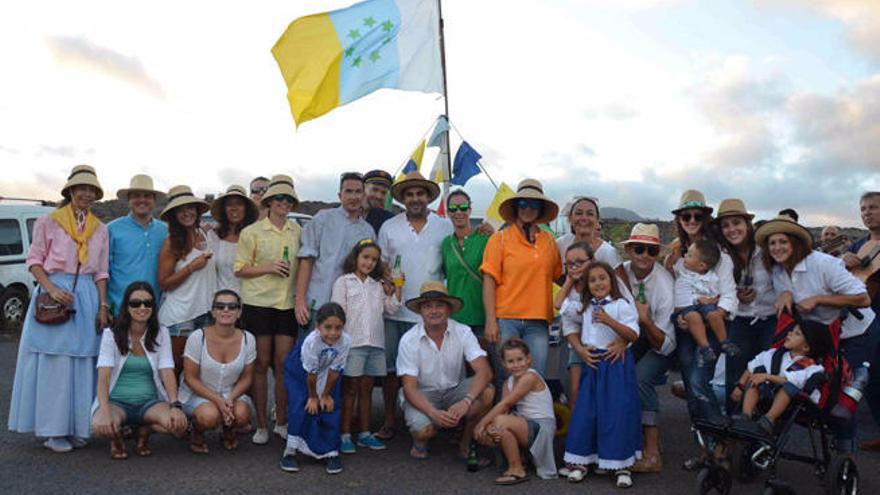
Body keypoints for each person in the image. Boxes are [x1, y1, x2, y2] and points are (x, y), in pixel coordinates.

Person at [8, 164, 111, 453]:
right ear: (70, 190)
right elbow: (34, 261)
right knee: (55, 363)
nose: (86, 194)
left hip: (87, 295)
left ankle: (80, 427)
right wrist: (52, 288)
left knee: (84, 361)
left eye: (91, 190)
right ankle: (54, 431)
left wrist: (102, 306)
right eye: (82, 188)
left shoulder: (100, 230)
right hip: (55, 294)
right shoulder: (48, 222)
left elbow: (101, 271)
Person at [757, 214, 876, 453]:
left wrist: (821, 298)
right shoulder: (779, 271)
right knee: (815, 387)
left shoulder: (822, 264)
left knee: (841, 396)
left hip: (854, 333)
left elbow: (863, 298)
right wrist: (784, 295)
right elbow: (784, 296)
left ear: (795, 243)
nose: (777, 247)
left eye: (783, 241)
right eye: (772, 243)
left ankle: (845, 458)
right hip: (819, 337)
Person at [375, 171, 452, 441]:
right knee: (391, 370)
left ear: (429, 197)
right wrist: (387, 280)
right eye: (410, 194)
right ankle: (388, 420)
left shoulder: (444, 225)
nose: (415, 198)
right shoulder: (390, 227)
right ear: (403, 198)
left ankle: (435, 419)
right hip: (396, 310)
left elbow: (453, 260)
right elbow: (380, 262)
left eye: (420, 193)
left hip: (431, 311)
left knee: (432, 370)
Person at [560, 262, 641, 488]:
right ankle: (582, 462)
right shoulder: (585, 307)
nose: (598, 283)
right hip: (594, 363)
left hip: (615, 363)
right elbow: (559, 304)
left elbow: (633, 333)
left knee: (617, 412)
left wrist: (609, 320)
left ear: (611, 281)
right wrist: (570, 278)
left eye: (602, 278)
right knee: (587, 412)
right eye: (592, 280)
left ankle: (622, 466)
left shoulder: (621, 305)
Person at [234, 174, 302, 444]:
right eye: (280, 199)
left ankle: (281, 421)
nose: (284, 203)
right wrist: (269, 267)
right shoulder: (251, 232)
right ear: (270, 201)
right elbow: (239, 269)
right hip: (258, 304)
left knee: (283, 365)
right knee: (260, 365)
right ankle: (261, 425)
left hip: (286, 304)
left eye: (289, 199)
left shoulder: (297, 230)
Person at [396, 282, 494, 461]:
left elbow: (485, 372)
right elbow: (409, 388)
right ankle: (420, 444)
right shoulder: (408, 340)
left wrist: (466, 401)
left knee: (487, 392)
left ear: (449, 309)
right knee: (423, 431)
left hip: (454, 391)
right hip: (423, 394)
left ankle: (465, 444)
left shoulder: (462, 331)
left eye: (439, 305)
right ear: (421, 311)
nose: (434, 311)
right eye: (427, 306)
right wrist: (434, 413)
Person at [91, 281, 187, 459]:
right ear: (126, 306)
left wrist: (175, 405)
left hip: (148, 402)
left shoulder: (161, 333)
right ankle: (116, 437)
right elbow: (103, 377)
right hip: (116, 402)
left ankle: (144, 430)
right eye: (135, 303)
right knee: (99, 426)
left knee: (178, 426)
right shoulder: (111, 334)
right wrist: (104, 411)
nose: (142, 307)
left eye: (148, 303)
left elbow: (167, 370)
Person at [664, 190, 736, 428]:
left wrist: (717, 312)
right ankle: (704, 444)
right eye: (687, 217)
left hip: (711, 324)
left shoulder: (718, 254)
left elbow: (728, 292)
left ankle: (720, 441)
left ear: (705, 219)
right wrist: (679, 318)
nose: (692, 221)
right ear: (680, 220)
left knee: (699, 382)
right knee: (691, 385)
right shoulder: (677, 254)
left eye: (697, 216)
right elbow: (671, 289)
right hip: (685, 326)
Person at [481, 179, 562, 376]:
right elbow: (489, 282)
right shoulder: (498, 239)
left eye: (534, 204)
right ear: (516, 207)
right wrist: (491, 321)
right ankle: (509, 409)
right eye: (523, 203)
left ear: (541, 209)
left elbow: (558, 277)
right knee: (508, 378)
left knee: (535, 377)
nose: (528, 208)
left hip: (538, 321)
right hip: (507, 319)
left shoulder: (549, 241)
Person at [331, 239, 402, 454]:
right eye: (366, 257)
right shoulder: (344, 282)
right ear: (356, 258)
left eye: (374, 259)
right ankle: (344, 434)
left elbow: (392, 309)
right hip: (353, 343)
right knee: (350, 389)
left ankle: (364, 433)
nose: (369, 263)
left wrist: (398, 289)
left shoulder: (377, 285)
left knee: (367, 389)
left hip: (375, 344)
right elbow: (337, 312)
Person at [618, 224, 676, 474]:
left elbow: (666, 344)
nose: (644, 255)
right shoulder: (620, 273)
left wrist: (645, 320)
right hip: (633, 338)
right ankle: (627, 441)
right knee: (615, 371)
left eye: (651, 251)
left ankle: (652, 453)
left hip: (660, 342)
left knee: (640, 379)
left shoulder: (664, 284)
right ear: (629, 250)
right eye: (639, 249)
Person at [715, 199, 778, 411]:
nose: (732, 229)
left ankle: (763, 430)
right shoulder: (722, 256)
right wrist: (736, 295)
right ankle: (733, 428)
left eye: (736, 223)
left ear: (747, 224)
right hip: (740, 321)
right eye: (725, 225)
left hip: (770, 319)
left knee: (766, 374)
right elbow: (717, 289)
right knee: (734, 375)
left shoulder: (766, 250)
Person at [178, 290, 256, 453]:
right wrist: (219, 401)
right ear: (213, 311)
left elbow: (247, 377)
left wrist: (230, 398)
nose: (226, 310)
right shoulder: (197, 337)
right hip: (197, 394)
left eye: (232, 306)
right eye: (220, 306)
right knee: (209, 416)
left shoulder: (248, 338)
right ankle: (197, 431)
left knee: (242, 414)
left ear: (239, 312)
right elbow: (190, 378)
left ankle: (229, 429)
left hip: (230, 392)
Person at [295, 172, 373, 330]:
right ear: (340, 195)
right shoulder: (323, 219)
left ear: (364, 195)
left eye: (358, 192)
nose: (354, 196)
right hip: (316, 302)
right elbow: (307, 260)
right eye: (348, 191)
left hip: (348, 307)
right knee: (309, 351)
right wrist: (300, 300)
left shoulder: (368, 231)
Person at [280, 302, 352, 475]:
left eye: (338, 328)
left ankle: (331, 451)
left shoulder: (346, 341)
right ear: (317, 326)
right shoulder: (311, 343)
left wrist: (325, 395)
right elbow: (310, 374)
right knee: (301, 404)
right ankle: (290, 451)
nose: (333, 333)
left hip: (327, 370)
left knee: (330, 404)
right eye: (327, 327)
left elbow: (336, 371)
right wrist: (313, 396)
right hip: (301, 371)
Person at [474, 338, 557, 484]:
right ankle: (520, 460)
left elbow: (506, 403)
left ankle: (517, 469)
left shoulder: (530, 377)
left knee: (497, 422)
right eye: (511, 361)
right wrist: (490, 428)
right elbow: (503, 411)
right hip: (523, 423)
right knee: (491, 429)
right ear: (503, 363)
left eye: (520, 359)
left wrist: (481, 422)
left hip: (542, 427)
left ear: (528, 359)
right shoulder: (508, 382)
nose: (516, 365)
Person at [730, 320, 830, 436]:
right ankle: (746, 416)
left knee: (788, 387)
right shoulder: (775, 354)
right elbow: (752, 366)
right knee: (756, 376)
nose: (789, 334)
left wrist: (767, 376)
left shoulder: (813, 368)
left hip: (796, 403)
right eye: (792, 331)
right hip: (768, 395)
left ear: (806, 347)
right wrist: (740, 386)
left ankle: (769, 419)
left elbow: (794, 381)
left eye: (797, 334)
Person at [157, 185, 215, 373]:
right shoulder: (172, 242)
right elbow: (163, 282)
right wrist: (191, 267)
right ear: (173, 215)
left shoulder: (205, 234)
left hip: (205, 313)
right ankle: (169, 403)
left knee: (197, 369)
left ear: (197, 210)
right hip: (180, 316)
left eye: (190, 208)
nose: (186, 213)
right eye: (180, 210)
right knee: (176, 367)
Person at [843, 191, 880, 451]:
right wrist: (844, 260)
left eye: (874, 208)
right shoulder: (858, 245)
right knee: (872, 376)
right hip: (865, 319)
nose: (867, 212)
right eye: (864, 208)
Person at [107, 174, 168, 314]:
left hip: (154, 309)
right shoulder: (112, 229)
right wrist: (105, 305)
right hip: (120, 309)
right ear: (129, 200)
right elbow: (103, 271)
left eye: (147, 196)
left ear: (154, 200)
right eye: (136, 196)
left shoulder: (165, 230)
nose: (142, 200)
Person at [673, 239, 737, 365]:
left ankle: (725, 342)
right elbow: (672, 269)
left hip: (704, 305)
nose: (685, 256)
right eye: (686, 253)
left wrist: (712, 299)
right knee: (694, 317)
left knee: (714, 315)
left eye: (690, 255)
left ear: (702, 266)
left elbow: (718, 293)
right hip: (687, 307)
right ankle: (705, 348)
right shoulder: (682, 269)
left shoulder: (711, 277)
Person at [440, 189, 490, 336]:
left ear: (470, 210)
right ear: (448, 212)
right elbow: (446, 274)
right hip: (456, 318)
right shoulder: (446, 244)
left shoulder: (485, 239)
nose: (458, 212)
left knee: (485, 359)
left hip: (482, 317)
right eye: (453, 209)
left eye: (463, 207)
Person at [554, 241, 593, 414]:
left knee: (595, 390)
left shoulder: (599, 282)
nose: (575, 267)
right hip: (577, 343)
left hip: (599, 344)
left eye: (580, 262)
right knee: (574, 390)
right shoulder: (570, 287)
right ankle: (576, 432)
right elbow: (558, 305)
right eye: (570, 264)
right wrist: (569, 279)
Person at [207, 185, 258, 294]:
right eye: (229, 204)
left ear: (246, 208)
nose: (234, 208)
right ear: (224, 209)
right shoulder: (213, 236)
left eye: (239, 204)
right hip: (221, 302)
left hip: (249, 300)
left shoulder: (255, 236)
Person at [556, 196, 621, 267]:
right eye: (578, 213)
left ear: (597, 220)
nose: (584, 218)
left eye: (590, 214)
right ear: (570, 219)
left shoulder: (608, 253)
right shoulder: (561, 245)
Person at [363, 170, 395, 235]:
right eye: (375, 190)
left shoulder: (388, 220)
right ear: (363, 187)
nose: (379, 196)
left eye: (384, 193)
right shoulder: (341, 212)